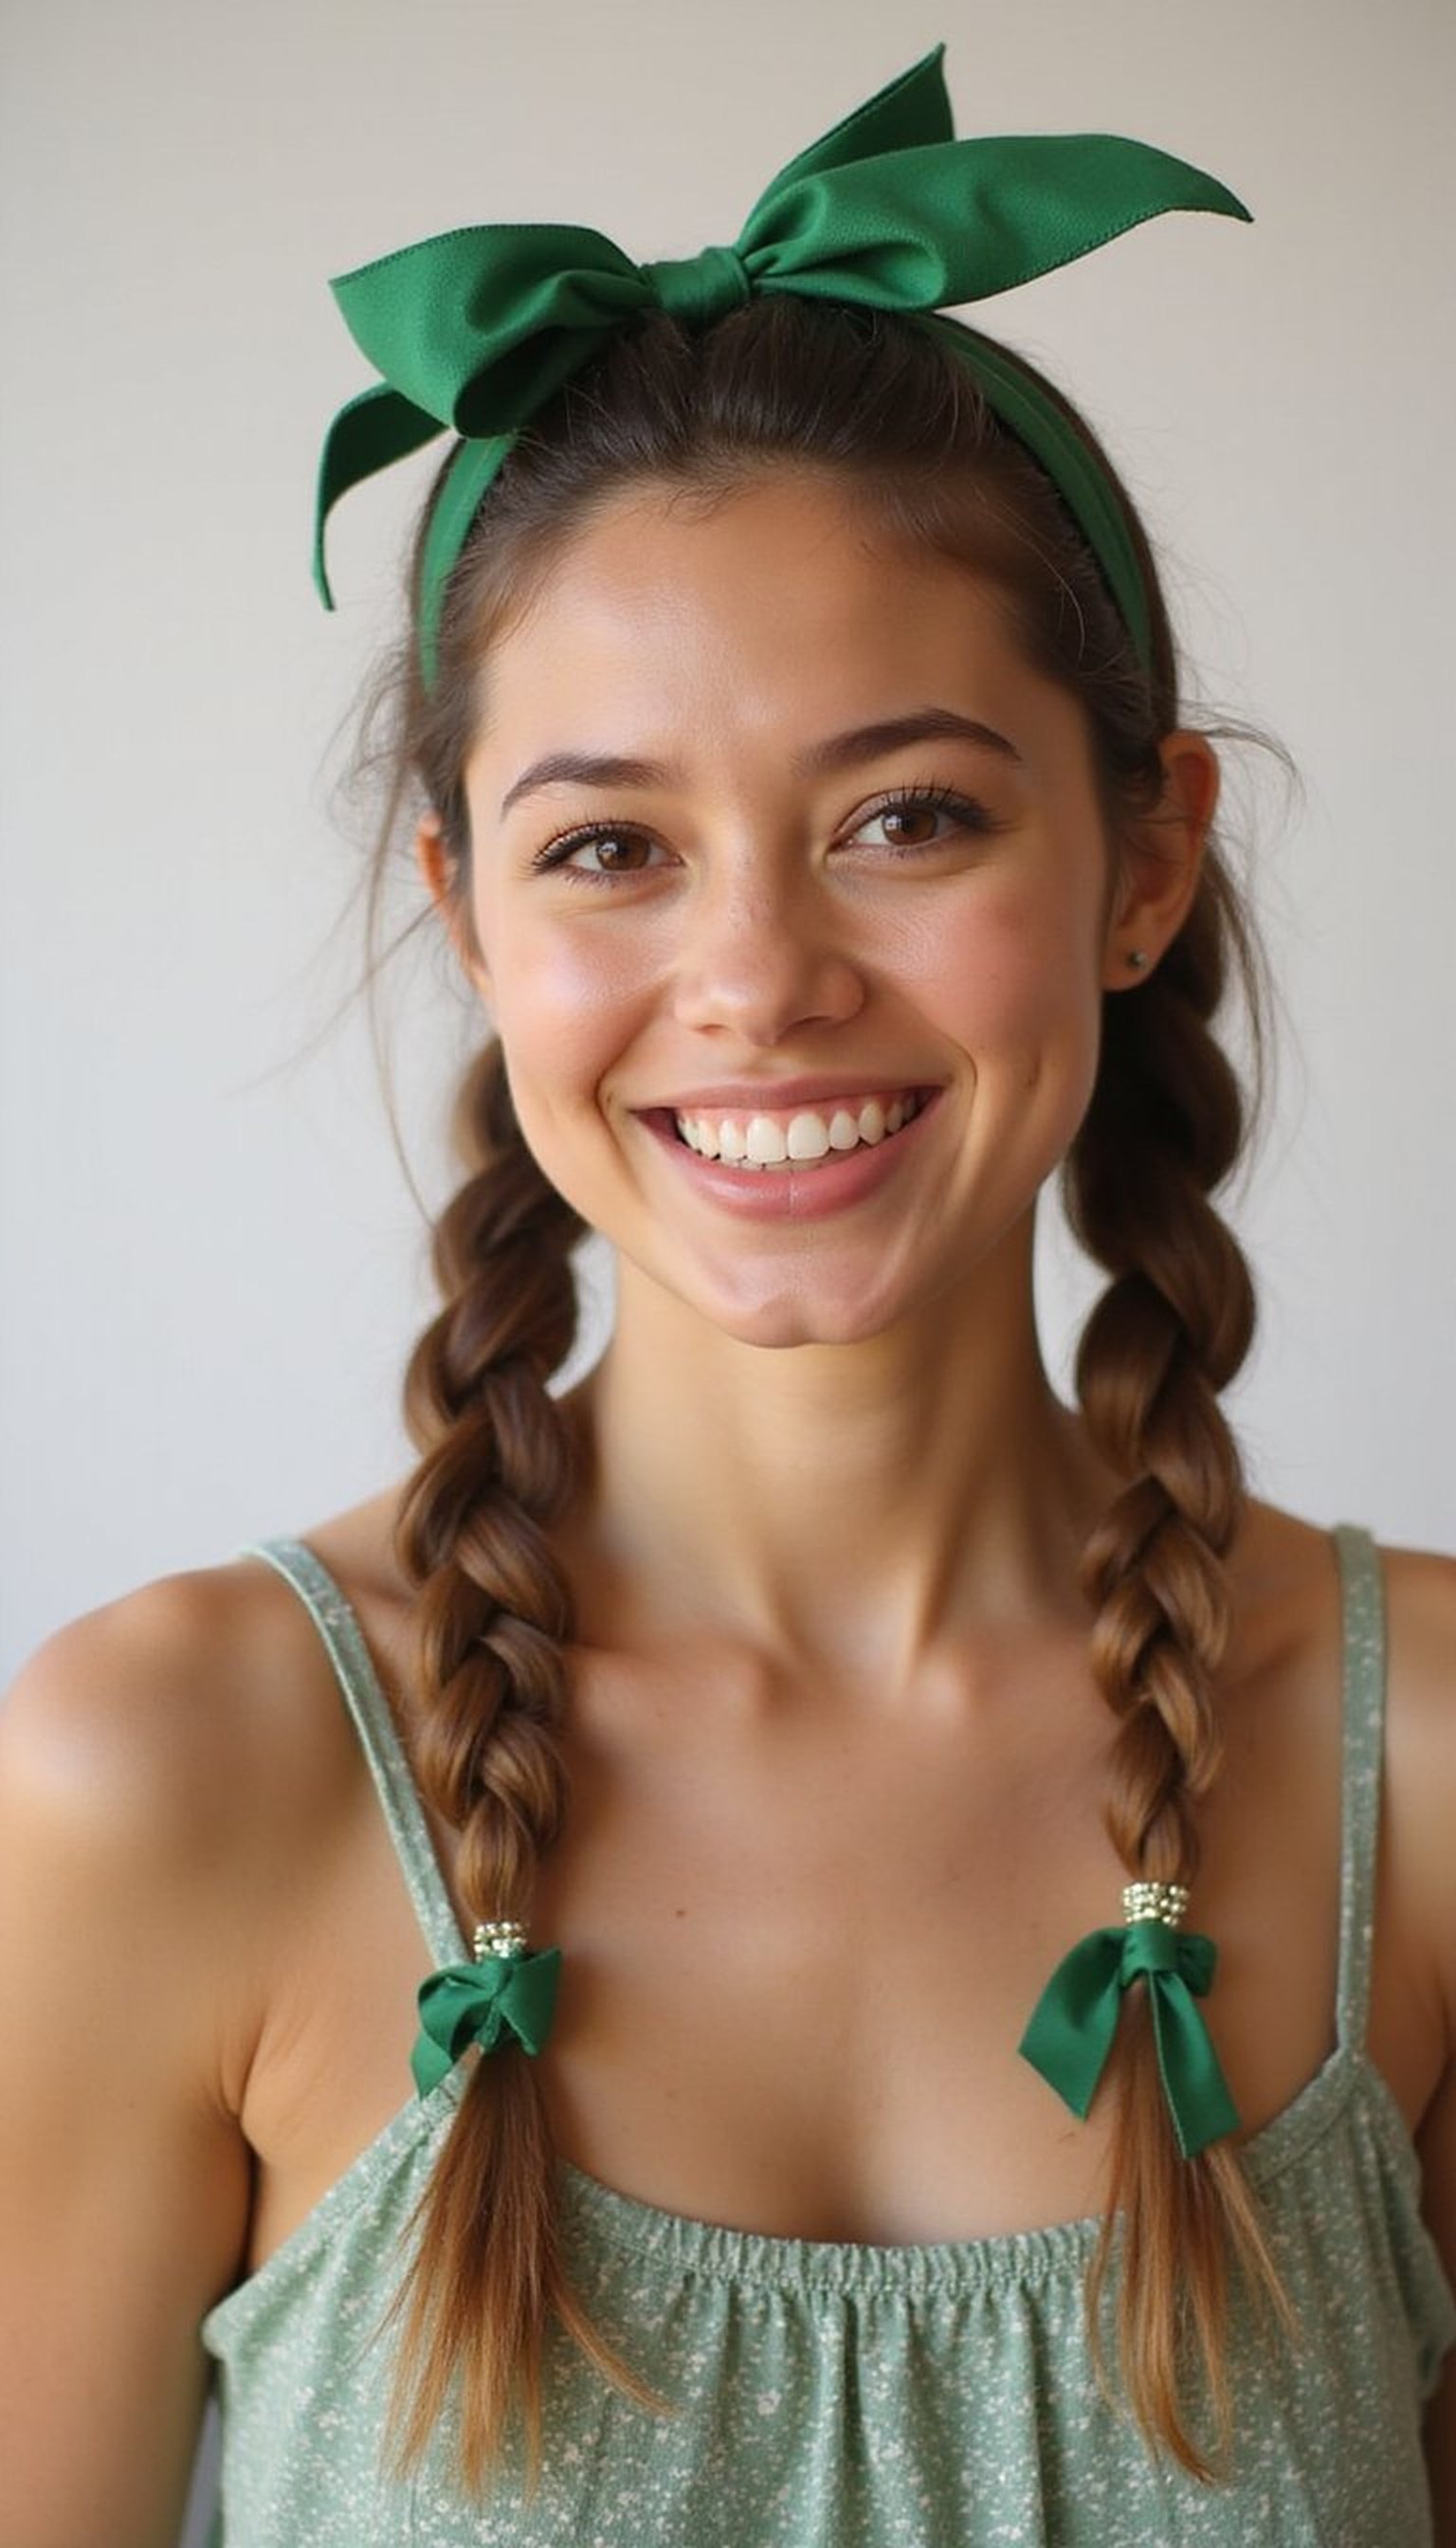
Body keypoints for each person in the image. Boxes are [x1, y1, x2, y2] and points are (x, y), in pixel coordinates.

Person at [2, 42, 1453, 2548]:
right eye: (613, 849)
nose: (758, 978)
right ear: (465, 905)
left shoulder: (1420, 1774)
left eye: (908, 817)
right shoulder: (165, 1782)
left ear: (1143, 856)